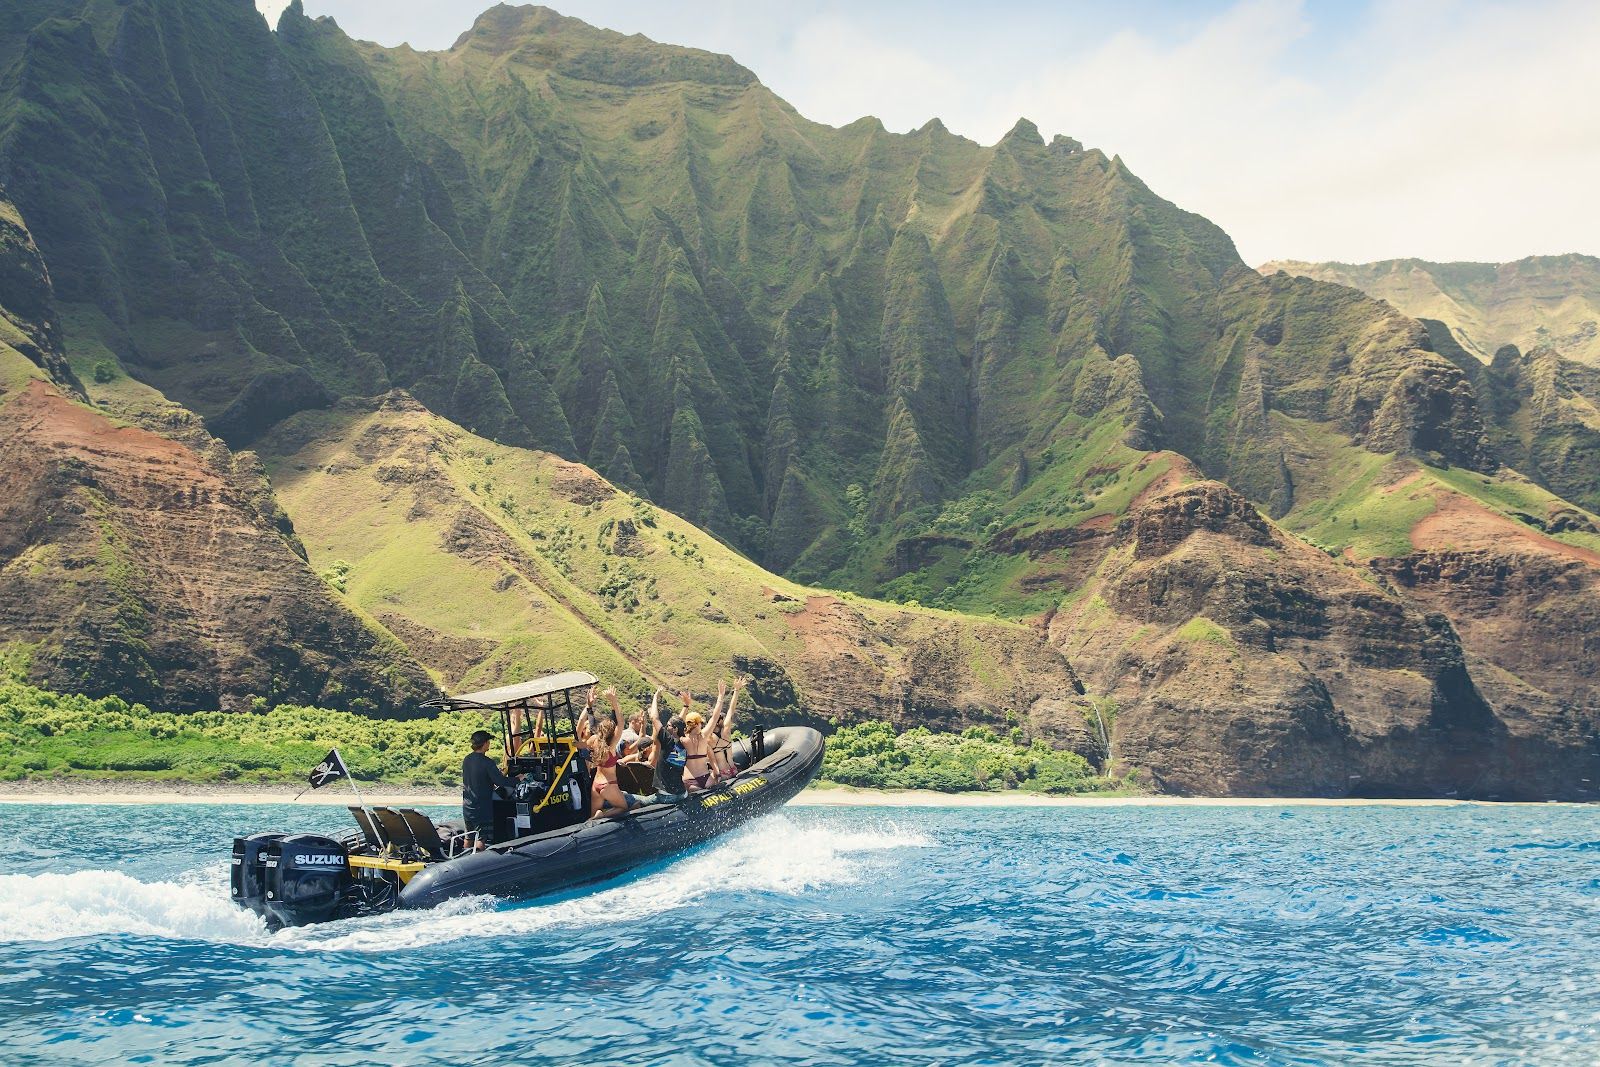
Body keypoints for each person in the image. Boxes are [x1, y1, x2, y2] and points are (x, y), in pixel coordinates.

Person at [461, 729, 517, 845]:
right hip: (481, 808)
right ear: (485, 743)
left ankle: (465, 857)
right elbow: (500, 782)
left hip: (467, 806)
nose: (489, 744)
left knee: (469, 837)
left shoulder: (467, 759)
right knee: (482, 837)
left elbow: (478, 777)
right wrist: (518, 779)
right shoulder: (487, 762)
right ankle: (479, 861)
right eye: (488, 741)